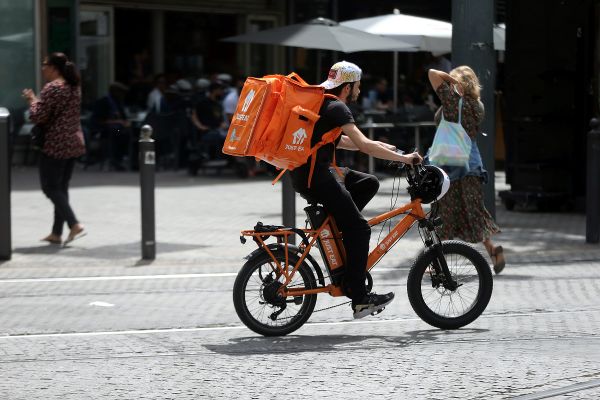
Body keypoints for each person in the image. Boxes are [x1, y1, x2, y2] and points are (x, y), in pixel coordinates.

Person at [290, 61, 423, 319]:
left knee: (368, 182)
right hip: (318, 177)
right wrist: (406, 159)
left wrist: (382, 146)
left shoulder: (322, 102)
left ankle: (340, 229)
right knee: (360, 229)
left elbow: (344, 141)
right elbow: (363, 146)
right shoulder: (338, 107)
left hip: (309, 175)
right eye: (358, 87)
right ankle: (359, 297)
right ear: (348, 86)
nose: (359, 92)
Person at [427, 66, 506, 274]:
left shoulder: (452, 101)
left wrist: (450, 81)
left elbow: (432, 73)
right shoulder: (478, 106)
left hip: (449, 166)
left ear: (458, 83)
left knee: (443, 213)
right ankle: (493, 249)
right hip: (471, 164)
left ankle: (436, 264)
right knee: (473, 212)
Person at [22, 52, 86, 246]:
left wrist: (32, 99)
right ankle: (56, 233)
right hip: (73, 142)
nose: (42, 68)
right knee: (61, 187)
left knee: (50, 187)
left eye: (45, 64)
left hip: (55, 144)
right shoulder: (74, 87)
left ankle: (74, 223)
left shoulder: (52, 88)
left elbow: (38, 116)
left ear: (54, 68)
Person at [91, 82, 132, 170]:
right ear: (114, 92)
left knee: (131, 132)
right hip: (104, 129)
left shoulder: (118, 102)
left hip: (118, 128)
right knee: (121, 134)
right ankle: (116, 160)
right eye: (120, 93)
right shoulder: (103, 102)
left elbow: (124, 117)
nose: (122, 96)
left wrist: (125, 122)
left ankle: (131, 160)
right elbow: (99, 120)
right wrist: (117, 121)